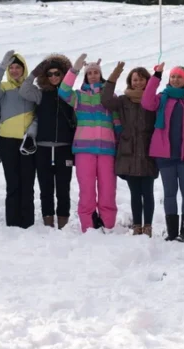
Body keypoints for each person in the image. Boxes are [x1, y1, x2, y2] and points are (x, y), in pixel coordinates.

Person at [142, 63, 184, 242]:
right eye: (172, 76)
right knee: (169, 193)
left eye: (179, 77)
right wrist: (156, 76)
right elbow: (146, 102)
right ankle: (172, 232)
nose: (175, 80)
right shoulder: (162, 98)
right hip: (165, 154)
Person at [59, 54, 119, 233]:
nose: (93, 75)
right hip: (84, 150)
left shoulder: (110, 96)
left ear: (101, 75)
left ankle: (108, 224)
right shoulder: (78, 97)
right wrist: (74, 70)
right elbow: (63, 91)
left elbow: (117, 123)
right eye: (90, 73)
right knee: (87, 190)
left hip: (107, 150)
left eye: (96, 72)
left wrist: (121, 144)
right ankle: (88, 225)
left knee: (108, 189)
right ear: (85, 76)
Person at [19, 54, 77, 229]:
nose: (53, 77)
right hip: (43, 148)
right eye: (49, 74)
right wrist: (35, 72)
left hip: (64, 148)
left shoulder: (69, 95)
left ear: (63, 74)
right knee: (45, 188)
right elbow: (24, 90)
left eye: (57, 73)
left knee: (63, 188)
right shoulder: (40, 94)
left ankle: (63, 222)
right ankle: (48, 221)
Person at [102, 66, 158, 236]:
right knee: (135, 193)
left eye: (141, 79)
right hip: (129, 151)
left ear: (147, 81)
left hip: (148, 151)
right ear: (130, 82)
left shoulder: (153, 100)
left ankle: (147, 226)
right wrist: (113, 77)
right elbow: (106, 100)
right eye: (135, 79)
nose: (138, 82)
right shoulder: (123, 100)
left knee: (147, 192)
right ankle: (137, 226)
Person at [0, 50, 37, 229]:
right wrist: (1, 66)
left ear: (24, 69)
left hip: (27, 142)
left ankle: (27, 222)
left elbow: (38, 114)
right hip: (7, 141)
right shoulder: (3, 88)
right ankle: (12, 222)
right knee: (12, 183)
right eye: (12, 67)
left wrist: (32, 132)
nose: (14, 70)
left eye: (18, 67)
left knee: (27, 183)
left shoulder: (31, 90)